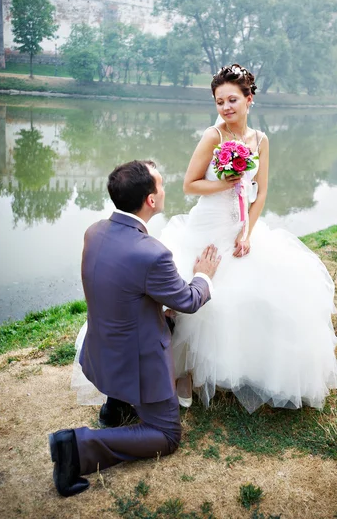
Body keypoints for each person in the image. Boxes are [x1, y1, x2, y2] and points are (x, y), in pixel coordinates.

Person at [161, 63, 337, 413]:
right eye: (219, 102)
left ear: (249, 100)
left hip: (241, 228)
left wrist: (247, 232)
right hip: (207, 226)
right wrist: (225, 183)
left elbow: (260, 193)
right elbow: (189, 185)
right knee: (199, 296)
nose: (226, 108)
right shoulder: (212, 137)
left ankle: (246, 367)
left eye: (232, 99)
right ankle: (183, 371)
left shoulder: (261, 140)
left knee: (271, 290)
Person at [49, 160, 221, 497]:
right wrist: (204, 275)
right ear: (151, 200)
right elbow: (187, 299)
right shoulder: (151, 253)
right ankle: (76, 447)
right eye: (160, 183)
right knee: (167, 436)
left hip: (102, 351)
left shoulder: (95, 230)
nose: (164, 187)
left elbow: (123, 287)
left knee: (161, 319)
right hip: (137, 361)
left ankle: (115, 405)